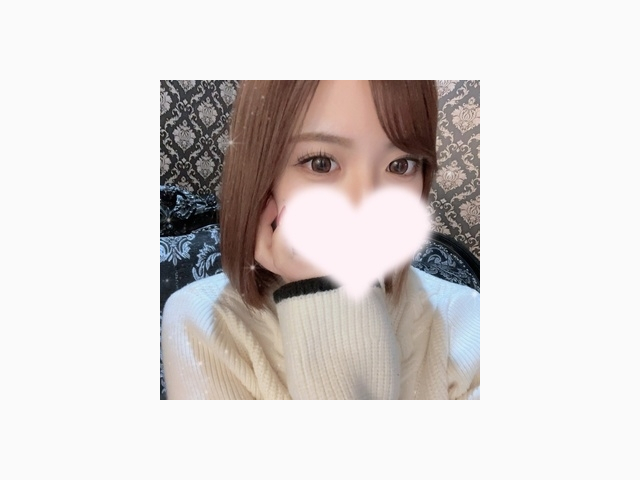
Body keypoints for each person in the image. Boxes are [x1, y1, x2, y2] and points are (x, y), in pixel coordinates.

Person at [161, 80, 480, 399]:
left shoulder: (467, 319)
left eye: (400, 165)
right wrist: (322, 292)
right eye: (321, 163)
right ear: (262, 175)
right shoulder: (203, 321)